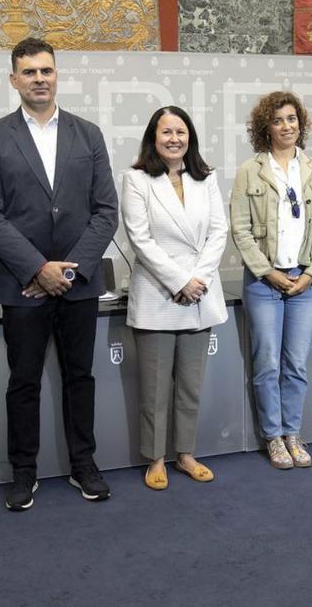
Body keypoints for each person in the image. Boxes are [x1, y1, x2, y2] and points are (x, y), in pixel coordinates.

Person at [0, 37, 119, 510]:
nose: (40, 78)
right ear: (14, 79)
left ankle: (84, 465)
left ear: (57, 75)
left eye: (47, 70)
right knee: (24, 381)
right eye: (30, 72)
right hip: (23, 285)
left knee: (81, 377)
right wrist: (39, 268)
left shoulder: (88, 134)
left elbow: (105, 212)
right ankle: (23, 472)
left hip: (77, 286)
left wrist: (68, 272)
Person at [120, 106, 228, 490]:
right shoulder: (136, 179)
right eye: (166, 132)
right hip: (158, 295)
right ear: (154, 137)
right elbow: (140, 238)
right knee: (154, 389)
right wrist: (180, 280)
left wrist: (197, 279)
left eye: (180, 132)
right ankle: (156, 459)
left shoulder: (207, 177)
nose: (174, 139)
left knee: (190, 385)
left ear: (190, 136)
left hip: (200, 293)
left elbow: (219, 231)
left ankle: (185, 454)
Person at [229, 91, 312, 470]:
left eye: (292, 119)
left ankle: (293, 432)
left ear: (300, 124)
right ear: (265, 128)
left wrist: (311, 274)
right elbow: (240, 230)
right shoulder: (249, 171)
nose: (286, 126)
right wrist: (267, 272)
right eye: (278, 120)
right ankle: (273, 437)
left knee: (296, 364)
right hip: (264, 283)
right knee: (267, 363)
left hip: (305, 283)